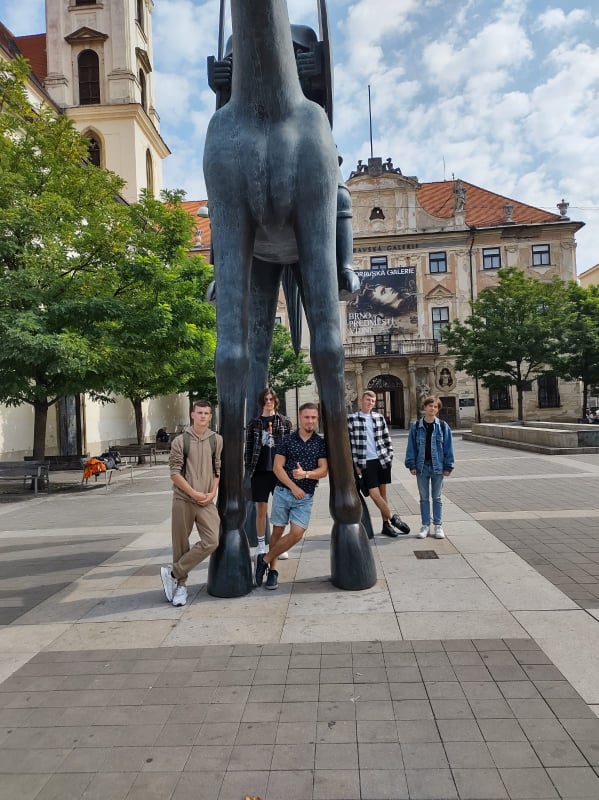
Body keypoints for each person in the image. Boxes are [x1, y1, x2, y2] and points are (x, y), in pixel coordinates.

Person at [254, 403, 328, 590]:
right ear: (299, 417)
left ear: (316, 418)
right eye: (306, 417)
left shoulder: (320, 443)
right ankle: (272, 571)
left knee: (296, 533)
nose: (310, 421)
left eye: (313, 417)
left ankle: (264, 560)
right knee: (277, 532)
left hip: (305, 496)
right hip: (283, 493)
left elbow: (324, 470)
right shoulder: (287, 440)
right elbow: (278, 467)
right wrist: (293, 486)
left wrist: (306, 474)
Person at [160, 400, 223, 607]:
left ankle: (173, 572)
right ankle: (181, 586)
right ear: (192, 415)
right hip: (183, 499)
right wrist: (193, 493)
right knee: (181, 543)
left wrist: (212, 492)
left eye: (207, 413)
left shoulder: (217, 440)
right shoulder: (180, 441)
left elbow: (217, 469)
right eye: (200, 412)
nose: (203, 416)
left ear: (210, 416)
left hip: (206, 500)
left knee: (212, 540)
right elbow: (174, 473)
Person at [347, 390, 410, 538]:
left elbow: (387, 439)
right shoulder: (352, 419)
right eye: (368, 400)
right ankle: (394, 518)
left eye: (373, 401)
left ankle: (386, 525)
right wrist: (355, 464)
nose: (370, 403)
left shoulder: (379, 417)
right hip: (365, 462)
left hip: (382, 460)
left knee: (383, 494)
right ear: (361, 401)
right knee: (374, 495)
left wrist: (389, 455)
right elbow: (349, 445)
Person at [244, 388, 292, 560]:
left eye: (271, 399)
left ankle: (278, 546)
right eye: (266, 399)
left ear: (275, 401)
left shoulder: (284, 422)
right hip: (260, 471)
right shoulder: (254, 423)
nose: (269, 402)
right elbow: (248, 449)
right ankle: (261, 545)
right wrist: (248, 469)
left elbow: (289, 449)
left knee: (280, 510)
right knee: (261, 510)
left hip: (279, 472)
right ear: (262, 402)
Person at [405, 395, 454, 539]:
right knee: (424, 498)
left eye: (435, 406)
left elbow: (448, 448)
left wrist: (448, 466)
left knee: (437, 497)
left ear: (437, 409)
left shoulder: (443, 426)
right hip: (422, 467)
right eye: (430, 406)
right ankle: (425, 525)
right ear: (425, 407)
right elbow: (411, 447)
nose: (432, 408)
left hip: (438, 466)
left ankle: (438, 525)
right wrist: (411, 464)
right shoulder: (416, 426)